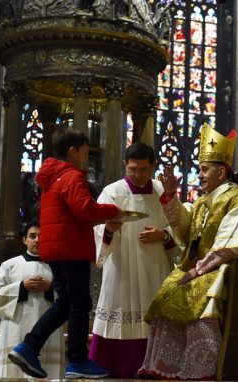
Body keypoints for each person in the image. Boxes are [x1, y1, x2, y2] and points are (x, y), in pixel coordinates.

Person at [136, 124, 238, 380]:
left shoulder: (236, 199)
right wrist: (171, 195)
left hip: (221, 271)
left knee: (196, 296)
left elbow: (232, 244)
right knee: (168, 293)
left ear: (222, 171)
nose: (200, 175)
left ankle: (202, 370)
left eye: (204, 169)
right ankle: (166, 369)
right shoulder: (203, 201)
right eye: (200, 169)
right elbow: (184, 232)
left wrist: (198, 269)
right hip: (197, 268)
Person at [8, 128, 123, 380]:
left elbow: (69, 215)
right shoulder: (71, 176)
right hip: (71, 249)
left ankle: (29, 347)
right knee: (80, 304)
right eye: (84, 151)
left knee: (65, 304)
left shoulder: (54, 178)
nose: (85, 157)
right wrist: (114, 211)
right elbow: (84, 208)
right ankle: (77, 360)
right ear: (73, 150)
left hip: (57, 249)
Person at [90, 142, 175, 378]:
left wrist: (164, 234)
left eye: (144, 170)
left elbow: (181, 225)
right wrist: (108, 228)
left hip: (155, 264)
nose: (138, 175)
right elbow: (97, 230)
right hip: (122, 266)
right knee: (120, 308)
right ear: (125, 165)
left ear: (153, 166)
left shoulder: (162, 192)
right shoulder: (111, 192)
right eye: (133, 169)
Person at [0, 221, 65, 379]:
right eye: (32, 236)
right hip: (15, 328)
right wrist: (21, 287)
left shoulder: (57, 266)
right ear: (24, 239)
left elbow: (70, 297)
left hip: (48, 332)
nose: (37, 240)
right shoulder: (9, 265)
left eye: (41, 236)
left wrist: (50, 288)